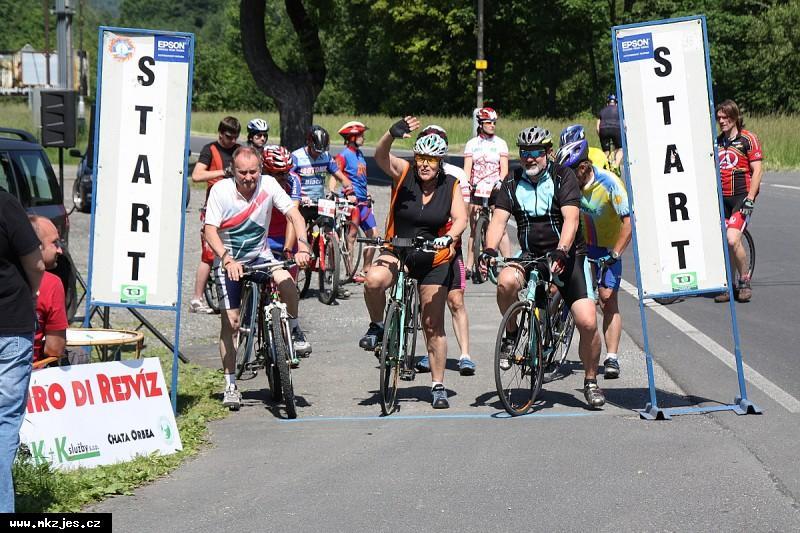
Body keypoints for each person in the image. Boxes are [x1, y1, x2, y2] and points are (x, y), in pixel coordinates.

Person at [479, 126, 604, 408]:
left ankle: (591, 380)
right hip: (531, 254)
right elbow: (498, 221)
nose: (530, 158)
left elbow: (571, 220)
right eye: (524, 153)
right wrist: (488, 249)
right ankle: (512, 333)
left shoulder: (563, 177)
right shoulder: (512, 181)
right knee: (506, 282)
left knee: (587, 321)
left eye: (536, 152)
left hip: (569, 255)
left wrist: (562, 250)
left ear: (548, 152)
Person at [360, 116, 468, 409]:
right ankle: (378, 326)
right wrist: (390, 135)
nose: (424, 164)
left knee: (432, 323)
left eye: (431, 159)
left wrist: (449, 238)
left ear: (440, 161)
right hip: (398, 249)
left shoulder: (451, 185)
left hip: (434, 256)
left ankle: (437, 385)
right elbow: (382, 157)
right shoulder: (404, 172)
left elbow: (461, 218)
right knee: (373, 280)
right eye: (421, 157)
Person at [203, 146, 312, 410]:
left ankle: (294, 329)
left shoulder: (270, 184)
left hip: (261, 256)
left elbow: (294, 215)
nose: (248, 177)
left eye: (253, 172)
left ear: (260, 170)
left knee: (286, 280)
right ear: (233, 171)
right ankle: (230, 384)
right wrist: (226, 259)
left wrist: (304, 245)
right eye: (242, 173)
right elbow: (210, 230)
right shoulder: (221, 190)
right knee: (231, 322)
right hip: (229, 260)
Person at [555, 137, 632, 379]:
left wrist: (615, 253)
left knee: (607, 299)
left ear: (584, 168)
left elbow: (628, 224)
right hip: (582, 247)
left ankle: (611, 357)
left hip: (608, 248)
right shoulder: (569, 184)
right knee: (562, 291)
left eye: (571, 173)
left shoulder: (610, 184)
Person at [412, 125, 475, 376]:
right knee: (429, 305)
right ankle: (433, 352)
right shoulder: (417, 175)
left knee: (456, 300)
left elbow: (464, 213)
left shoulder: (455, 176)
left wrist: (450, 236)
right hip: (424, 249)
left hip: (450, 247)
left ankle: (465, 355)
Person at [0, 191, 44, 512]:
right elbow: (37, 263)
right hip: (9, 324)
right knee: (3, 423)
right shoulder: (5, 204)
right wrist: (33, 293)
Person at [292, 125, 355, 299]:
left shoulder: (326, 156)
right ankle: (292, 277)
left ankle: (332, 280)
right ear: (308, 143)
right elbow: (289, 180)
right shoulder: (296, 157)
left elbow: (340, 176)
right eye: (314, 150)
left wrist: (350, 192)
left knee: (331, 236)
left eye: (320, 150)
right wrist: (298, 196)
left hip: (320, 203)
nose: (317, 154)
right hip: (302, 203)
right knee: (298, 238)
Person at [189, 116, 241, 314]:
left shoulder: (238, 150)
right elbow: (197, 175)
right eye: (228, 137)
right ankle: (196, 298)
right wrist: (222, 172)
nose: (232, 141)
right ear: (220, 133)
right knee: (209, 255)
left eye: (235, 137)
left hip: (234, 209)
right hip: (212, 209)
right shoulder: (209, 150)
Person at [263, 145, 311, 356]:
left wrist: (289, 249)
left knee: (289, 286)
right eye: (277, 174)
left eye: (285, 173)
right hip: (262, 239)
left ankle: (294, 328)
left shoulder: (293, 181)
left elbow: (293, 217)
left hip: (284, 237)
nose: (283, 178)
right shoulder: (258, 183)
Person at [714, 99, 763, 303]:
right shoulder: (717, 142)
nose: (722, 121)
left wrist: (751, 198)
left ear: (734, 117)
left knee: (733, 239)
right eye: (719, 118)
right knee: (726, 243)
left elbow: (758, 170)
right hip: (722, 198)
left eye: (725, 118)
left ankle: (744, 280)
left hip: (742, 197)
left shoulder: (747, 139)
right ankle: (729, 283)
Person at [463, 107, 511, 278]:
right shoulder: (472, 144)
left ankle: (509, 263)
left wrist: (501, 182)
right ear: (481, 124)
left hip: (495, 188)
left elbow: (504, 168)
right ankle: (469, 266)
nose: (492, 126)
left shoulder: (500, 143)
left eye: (494, 123)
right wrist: (467, 184)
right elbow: (467, 168)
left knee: (501, 227)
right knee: (474, 229)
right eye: (489, 122)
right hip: (477, 187)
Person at [335, 121, 379, 283]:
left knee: (374, 236)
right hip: (351, 203)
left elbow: (360, 177)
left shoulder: (360, 155)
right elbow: (335, 176)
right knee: (351, 237)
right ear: (352, 137)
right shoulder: (344, 155)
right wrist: (342, 194)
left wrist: (366, 192)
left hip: (363, 202)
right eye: (360, 135)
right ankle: (350, 271)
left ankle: (365, 268)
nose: (363, 138)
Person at [28, 216, 68, 366]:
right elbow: (55, 349)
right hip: (29, 375)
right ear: (36, 246)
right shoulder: (51, 283)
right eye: (54, 243)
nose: (59, 250)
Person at [596, 94, 623, 170]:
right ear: (616, 103)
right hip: (616, 129)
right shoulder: (619, 110)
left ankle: (606, 168)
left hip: (603, 129)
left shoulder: (602, 111)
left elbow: (597, 128)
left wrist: (601, 137)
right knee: (620, 149)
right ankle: (615, 166)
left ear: (607, 103)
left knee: (605, 152)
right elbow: (623, 125)